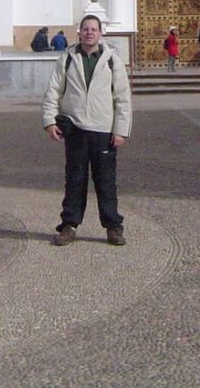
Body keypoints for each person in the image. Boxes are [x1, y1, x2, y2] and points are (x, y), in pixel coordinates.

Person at [42, 14, 132, 247]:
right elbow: (53, 90)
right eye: (85, 29)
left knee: (106, 181)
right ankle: (69, 225)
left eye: (94, 29)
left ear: (101, 33)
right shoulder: (68, 59)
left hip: (103, 129)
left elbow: (122, 98)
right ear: (79, 33)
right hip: (76, 129)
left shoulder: (112, 60)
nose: (89, 33)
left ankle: (113, 226)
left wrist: (120, 130)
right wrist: (50, 121)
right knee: (75, 179)